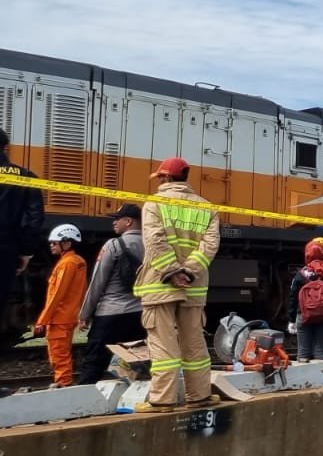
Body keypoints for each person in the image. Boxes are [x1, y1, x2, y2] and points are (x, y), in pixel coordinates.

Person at [134, 157, 220, 411]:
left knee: (163, 342)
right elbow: (210, 245)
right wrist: (190, 272)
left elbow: (154, 240)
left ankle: (162, 399)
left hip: (160, 284)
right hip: (194, 285)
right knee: (194, 341)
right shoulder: (207, 207)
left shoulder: (155, 203)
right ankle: (199, 395)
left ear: (165, 178)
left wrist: (172, 272)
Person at [77, 204, 145, 383]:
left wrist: (85, 314)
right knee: (134, 366)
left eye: (118, 219)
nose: (114, 222)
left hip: (110, 314)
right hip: (141, 315)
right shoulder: (153, 246)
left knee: (94, 364)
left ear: (128, 221)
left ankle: (83, 402)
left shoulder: (113, 245)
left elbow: (97, 282)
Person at [0, 127, 44, 337]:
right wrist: (26, 252)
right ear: (6, 148)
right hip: (6, 249)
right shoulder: (25, 176)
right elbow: (34, 220)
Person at [33, 224, 88, 387]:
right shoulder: (79, 261)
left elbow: (57, 295)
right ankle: (64, 383)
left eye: (54, 243)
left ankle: (63, 385)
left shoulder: (66, 264)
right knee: (64, 353)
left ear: (67, 243)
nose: (51, 245)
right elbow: (83, 290)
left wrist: (42, 320)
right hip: (70, 316)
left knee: (59, 355)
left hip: (59, 318)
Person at [287, 238, 323, 363]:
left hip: (304, 315)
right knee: (320, 353)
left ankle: (304, 379)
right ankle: (321, 378)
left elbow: (293, 298)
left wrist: (291, 319)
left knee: (303, 353)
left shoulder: (301, 274)